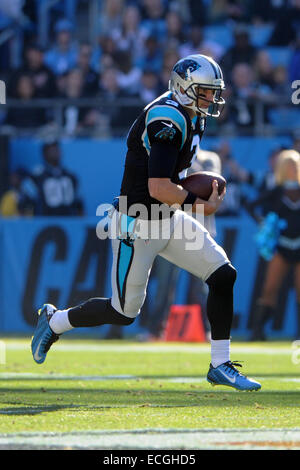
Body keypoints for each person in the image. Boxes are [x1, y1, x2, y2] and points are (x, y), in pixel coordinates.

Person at [31, 54, 261, 391]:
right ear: (184, 88)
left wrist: (189, 200)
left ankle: (220, 364)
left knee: (223, 274)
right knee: (123, 312)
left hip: (167, 217)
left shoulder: (192, 115)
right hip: (135, 224)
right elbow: (158, 186)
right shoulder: (166, 119)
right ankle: (55, 321)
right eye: (206, 91)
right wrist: (200, 204)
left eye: (214, 92)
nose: (212, 99)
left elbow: (171, 182)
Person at [246, 149, 300, 341]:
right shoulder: (277, 191)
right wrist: (264, 223)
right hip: (282, 246)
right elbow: (251, 205)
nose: (293, 169)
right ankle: (258, 331)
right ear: (283, 169)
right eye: (289, 165)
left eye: (295, 165)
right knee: (270, 288)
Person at [29, 140, 84, 216]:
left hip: (69, 221)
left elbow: (79, 203)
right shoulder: (37, 177)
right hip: (46, 222)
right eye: (51, 150)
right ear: (45, 154)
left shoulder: (71, 176)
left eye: (57, 149)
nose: (55, 152)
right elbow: (30, 203)